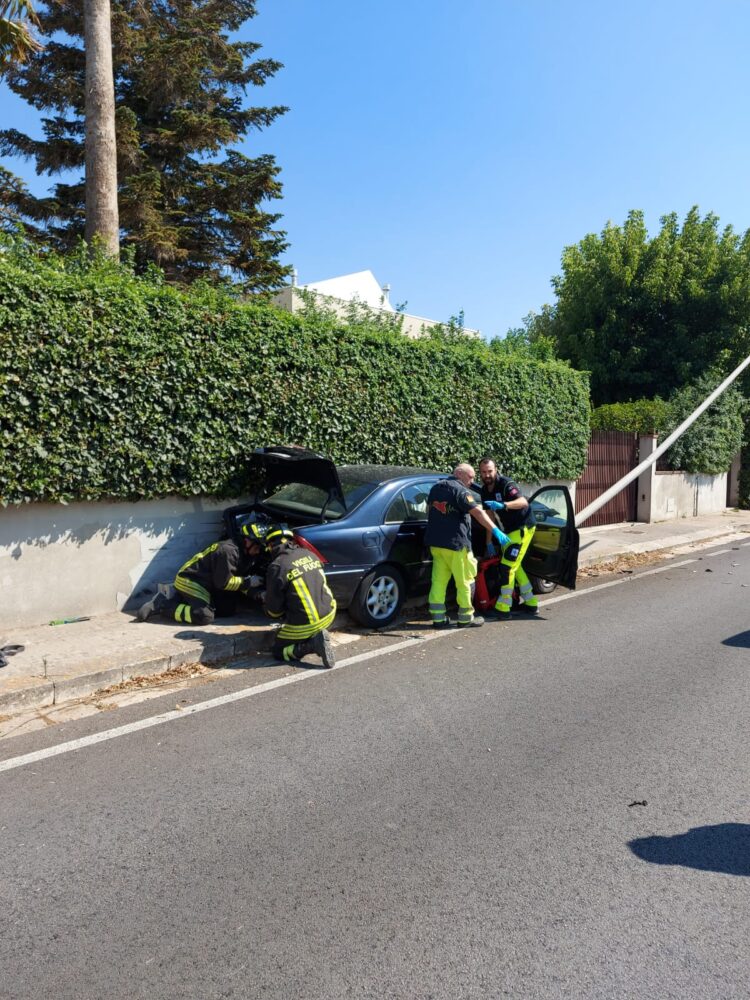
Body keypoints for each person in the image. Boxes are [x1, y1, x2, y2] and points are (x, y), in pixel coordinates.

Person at [136, 515, 268, 625]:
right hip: (190, 580)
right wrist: (249, 582)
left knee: (227, 610)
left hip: (208, 583)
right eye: (257, 545)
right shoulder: (227, 551)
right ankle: (163, 605)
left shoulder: (244, 554)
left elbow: (238, 581)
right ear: (246, 541)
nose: (258, 551)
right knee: (205, 617)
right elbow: (224, 583)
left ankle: (180, 600)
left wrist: (257, 593)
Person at [425, 463, 509, 629]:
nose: (472, 481)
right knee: (465, 581)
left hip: (436, 544)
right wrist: (495, 531)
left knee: (438, 581)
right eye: (470, 477)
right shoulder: (461, 491)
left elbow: (429, 511)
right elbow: (478, 512)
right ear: (459, 474)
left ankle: (438, 618)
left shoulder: (436, 488)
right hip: (457, 546)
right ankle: (465, 618)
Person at [262, 524, 337, 669]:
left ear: (271, 545)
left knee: (279, 652)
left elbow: (274, 612)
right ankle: (316, 636)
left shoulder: (277, 566)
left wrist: (265, 600)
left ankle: (311, 645)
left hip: (308, 623)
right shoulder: (310, 554)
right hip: (330, 612)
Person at [478, 456, 538, 621]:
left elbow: (523, 502)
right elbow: (489, 516)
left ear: (495, 470)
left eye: (490, 471)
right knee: (515, 566)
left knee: (507, 567)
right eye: (483, 472)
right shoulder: (484, 490)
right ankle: (531, 602)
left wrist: (504, 505)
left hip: (523, 528)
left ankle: (503, 607)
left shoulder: (506, 484)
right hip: (508, 531)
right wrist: (489, 541)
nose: (487, 475)